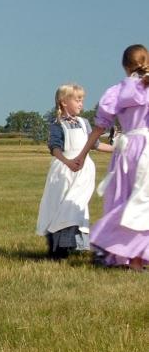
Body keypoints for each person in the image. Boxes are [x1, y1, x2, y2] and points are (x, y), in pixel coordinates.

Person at [74, 44, 149, 271]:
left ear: (125, 67)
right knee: (143, 202)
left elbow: (98, 129)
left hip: (126, 151)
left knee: (124, 200)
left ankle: (128, 255)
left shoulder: (116, 92)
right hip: (147, 148)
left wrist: (82, 153)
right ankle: (136, 257)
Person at [36, 83, 113, 258]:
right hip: (64, 170)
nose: (81, 104)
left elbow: (95, 144)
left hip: (83, 172)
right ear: (64, 102)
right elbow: (55, 147)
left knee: (76, 205)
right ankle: (59, 246)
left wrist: (117, 149)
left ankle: (73, 244)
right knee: (61, 205)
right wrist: (67, 161)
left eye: (82, 100)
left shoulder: (84, 123)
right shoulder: (57, 124)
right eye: (78, 100)